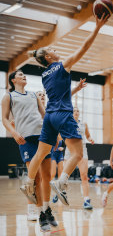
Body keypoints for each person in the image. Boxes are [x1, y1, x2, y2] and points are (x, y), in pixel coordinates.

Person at [20, 14, 108, 206]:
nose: (55, 49)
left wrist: (74, 89)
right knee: (78, 154)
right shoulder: (61, 65)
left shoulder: (45, 74)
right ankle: (61, 182)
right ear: (49, 57)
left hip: (50, 116)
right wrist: (97, 27)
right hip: (63, 115)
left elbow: (60, 93)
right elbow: (83, 48)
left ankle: (27, 182)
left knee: (41, 152)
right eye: (51, 49)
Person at [1, 70, 58, 232]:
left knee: (47, 176)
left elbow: (45, 115)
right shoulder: (9, 96)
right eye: (20, 74)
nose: (24, 76)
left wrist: (54, 133)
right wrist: (13, 132)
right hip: (26, 139)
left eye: (25, 74)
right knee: (36, 179)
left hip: (43, 136)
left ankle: (47, 210)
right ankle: (40, 213)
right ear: (13, 80)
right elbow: (4, 118)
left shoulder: (33, 95)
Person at [64, 107, 94, 209]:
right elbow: (61, 135)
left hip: (82, 151)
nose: (76, 112)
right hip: (70, 151)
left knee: (84, 176)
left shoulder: (84, 124)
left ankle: (86, 200)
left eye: (78, 111)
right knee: (65, 175)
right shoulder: (67, 122)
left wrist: (91, 139)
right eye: (74, 111)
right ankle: (60, 192)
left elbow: (88, 135)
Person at [51, 134, 65, 203]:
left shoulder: (62, 134)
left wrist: (63, 148)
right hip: (53, 154)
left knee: (61, 173)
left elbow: (65, 146)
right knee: (53, 173)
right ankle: (46, 188)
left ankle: (58, 192)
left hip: (60, 154)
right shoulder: (53, 132)